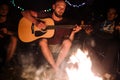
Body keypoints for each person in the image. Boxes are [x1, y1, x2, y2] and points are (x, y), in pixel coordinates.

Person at [21, 0, 81, 71]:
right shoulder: (45, 16)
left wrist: (73, 32)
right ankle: (55, 67)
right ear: (53, 7)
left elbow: (69, 41)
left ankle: (56, 66)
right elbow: (24, 12)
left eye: (63, 8)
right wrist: (36, 23)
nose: (61, 10)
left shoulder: (67, 23)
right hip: (45, 47)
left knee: (68, 43)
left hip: (58, 47)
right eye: (59, 7)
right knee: (43, 41)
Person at [90, 7, 120, 77]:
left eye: (113, 13)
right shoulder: (100, 22)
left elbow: (116, 37)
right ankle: (97, 69)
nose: (110, 14)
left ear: (116, 15)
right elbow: (93, 31)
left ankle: (102, 71)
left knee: (115, 44)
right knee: (88, 42)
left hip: (110, 41)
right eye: (109, 12)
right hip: (98, 39)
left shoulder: (117, 25)